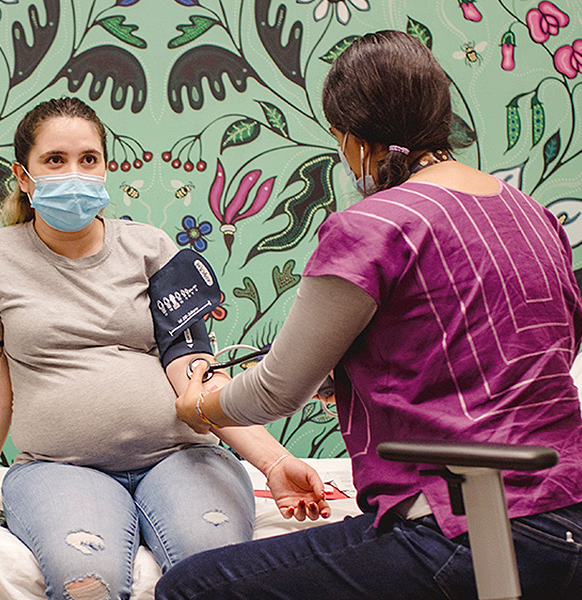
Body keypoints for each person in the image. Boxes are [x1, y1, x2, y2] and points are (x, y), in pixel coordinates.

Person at [157, 30, 582, 600]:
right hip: (570, 521)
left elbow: (275, 393)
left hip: (471, 532)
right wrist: (356, 374)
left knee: (191, 587)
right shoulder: (533, 216)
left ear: (358, 140)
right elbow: (528, 355)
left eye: (338, 138)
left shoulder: (372, 228)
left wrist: (202, 404)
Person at [0, 97, 330, 600]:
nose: (74, 173)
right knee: (87, 587)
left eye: (88, 159)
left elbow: (195, 372)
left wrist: (273, 463)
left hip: (182, 456)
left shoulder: (151, 246)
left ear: (103, 168)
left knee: (215, 579)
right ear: (23, 175)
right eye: (55, 160)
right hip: (60, 470)